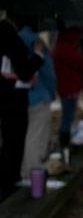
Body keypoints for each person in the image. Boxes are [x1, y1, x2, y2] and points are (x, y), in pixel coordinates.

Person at [0, 13, 44, 201]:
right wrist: (37, 54)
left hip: (4, 98)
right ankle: (9, 183)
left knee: (7, 141)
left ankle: (7, 182)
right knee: (14, 142)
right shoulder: (11, 37)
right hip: (14, 100)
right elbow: (25, 72)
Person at [19, 21, 57, 179]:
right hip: (38, 95)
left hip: (18, 97)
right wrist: (52, 91)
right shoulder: (35, 41)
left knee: (23, 136)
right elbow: (47, 71)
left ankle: (23, 172)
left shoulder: (14, 38)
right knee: (35, 137)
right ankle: (32, 175)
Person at [52, 26, 83, 148]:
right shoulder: (68, 49)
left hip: (65, 87)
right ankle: (65, 143)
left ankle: (65, 141)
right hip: (69, 88)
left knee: (68, 114)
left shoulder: (59, 47)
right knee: (68, 116)